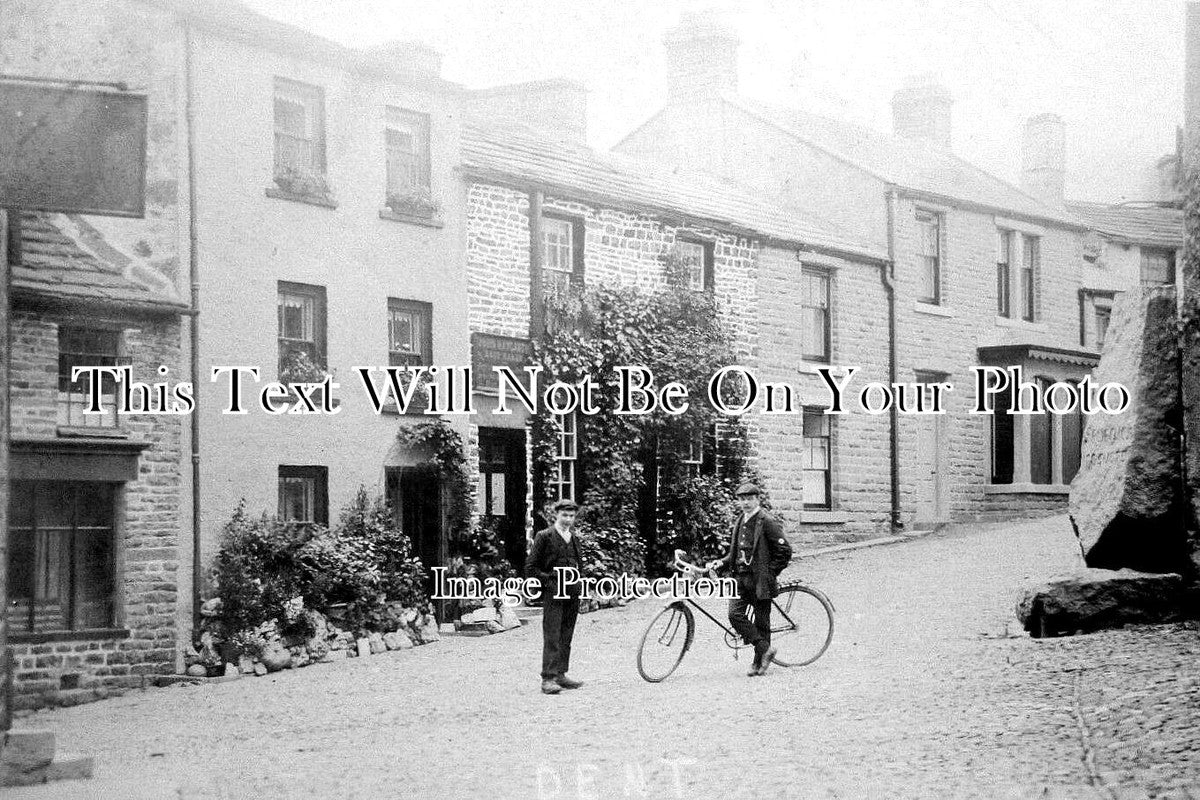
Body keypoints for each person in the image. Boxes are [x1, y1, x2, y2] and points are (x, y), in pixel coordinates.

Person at [708, 483, 793, 676]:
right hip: (740, 579)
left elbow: (785, 550)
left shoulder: (766, 521)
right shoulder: (740, 520)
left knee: (762, 623)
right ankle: (765, 648)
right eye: (742, 499)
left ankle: (758, 663)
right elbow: (735, 553)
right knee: (734, 615)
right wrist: (720, 562)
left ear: (757, 499)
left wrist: (770, 573)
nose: (745, 502)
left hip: (760, 581)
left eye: (749, 498)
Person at [527, 499, 586, 695]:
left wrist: (581, 588)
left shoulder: (574, 538)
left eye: (571, 516)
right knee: (552, 634)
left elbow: (580, 567)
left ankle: (561, 674)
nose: (568, 519)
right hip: (554, 593)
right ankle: (548, 678)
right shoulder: (545, 536)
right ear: (556, 515)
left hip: (572, 593)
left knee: (566, 635)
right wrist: (549, 581)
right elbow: (531, 568)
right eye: (564, 515)